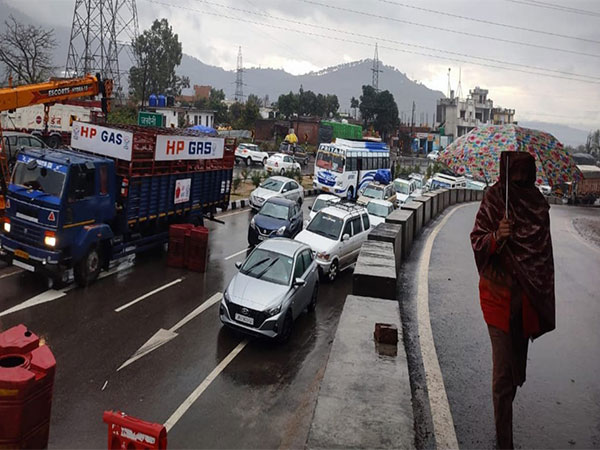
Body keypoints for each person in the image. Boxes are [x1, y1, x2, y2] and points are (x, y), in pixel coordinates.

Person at [470, 151, 556, 449]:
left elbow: (542, 258)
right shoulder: (495, 199)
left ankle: (505, 411)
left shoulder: (537, 206)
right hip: (497, 297)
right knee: (504, 375)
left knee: (517, 371)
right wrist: (497, 236)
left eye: (525, 178)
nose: (520, 184)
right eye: (515, 178)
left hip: (526, 300)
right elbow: (478, 240)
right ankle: (504, 440)